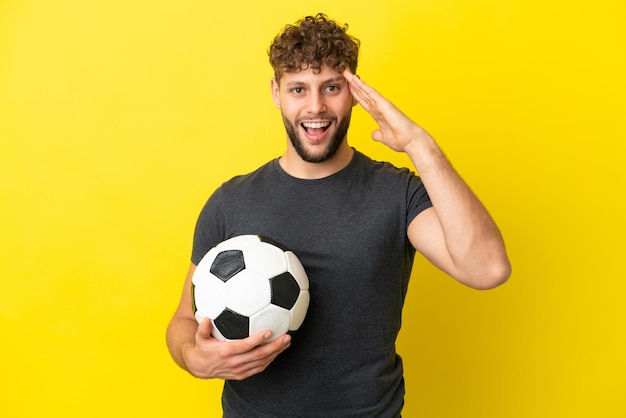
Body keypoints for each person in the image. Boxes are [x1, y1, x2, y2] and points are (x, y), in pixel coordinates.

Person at [166, 13, 511, 417]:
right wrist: (192, 356)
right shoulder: (230, 202)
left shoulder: (396, 193)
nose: (316, 107)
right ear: (276, 92)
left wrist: (419, 144)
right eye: (299, 89)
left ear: (353, 92)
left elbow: (487, 269)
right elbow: (182, 320)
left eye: (331, 87)